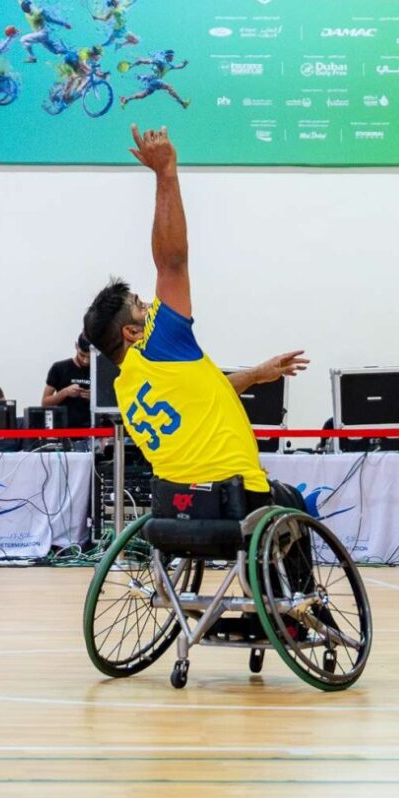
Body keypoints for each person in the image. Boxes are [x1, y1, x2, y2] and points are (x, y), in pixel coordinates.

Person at [81, 126, 310, 523]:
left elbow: (201, 403)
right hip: (237, 499)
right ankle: (302, 589)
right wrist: (166, 174)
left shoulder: (128, 388)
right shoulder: (160, 344)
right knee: (291, 501)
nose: (151, 304)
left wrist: (256, 374)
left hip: (177, 508)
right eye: (140, 306)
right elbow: (172, 262)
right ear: (131, 333)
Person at [42, 333, 93, 427]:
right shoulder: (59, 368)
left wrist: (95, 398)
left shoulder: (99, 371)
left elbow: (112, 403)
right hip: (64, 430)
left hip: (92, 430)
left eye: (89, 357)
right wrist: (65, 392)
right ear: (76, 346)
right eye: (82, 355)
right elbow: (45, 403)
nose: (85, 360)